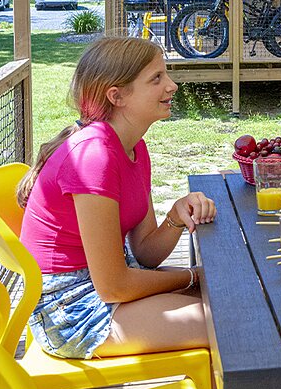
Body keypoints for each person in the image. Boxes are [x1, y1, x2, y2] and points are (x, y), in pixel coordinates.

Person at [16, 36, 217, 360]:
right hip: (70, 310)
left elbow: (145, 253)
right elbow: (114, 286)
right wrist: (193, 276)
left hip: (105, 284)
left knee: (228, 299)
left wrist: (175, 218)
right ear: (117, 96)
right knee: (228, 324)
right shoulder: (94, 157)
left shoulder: (134, 146)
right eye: (157, 78)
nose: (172, 86)